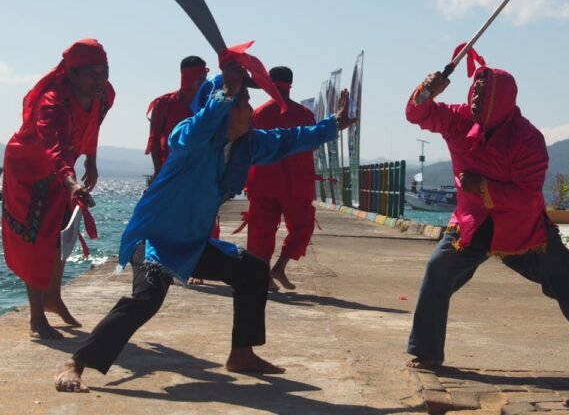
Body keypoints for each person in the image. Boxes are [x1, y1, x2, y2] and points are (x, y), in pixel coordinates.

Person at [54, 47, 355, 393]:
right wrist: (226, 92)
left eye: (244, 102)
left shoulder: (247, 145)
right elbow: (199, 124)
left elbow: (290, 139)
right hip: (153, 239)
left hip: (192, 243)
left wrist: (333, 125)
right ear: (222, 107)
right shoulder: (190, 137)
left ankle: (242, 353)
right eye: (242, 104)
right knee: (147, 299)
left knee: (253, 270)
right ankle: (77, 361)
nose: (249, 110)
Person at [404, 66, 569, 373]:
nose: (475, 97)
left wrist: (483, 186)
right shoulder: (459, 119)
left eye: (483, 92)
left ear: (500, 99)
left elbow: (527, 195)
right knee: (438, 267)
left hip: (524, 231)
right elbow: (417, 114)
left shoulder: (528, 138)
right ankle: (428, 352)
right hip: (471, 224)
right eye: (474, 89)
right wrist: (428, 89)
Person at [2, 39, 114, 339]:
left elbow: (93, 125)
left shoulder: (104, 95)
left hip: (62, 171)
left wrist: (91, 161)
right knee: (36, 239)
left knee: (64, 232)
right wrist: (72, 181)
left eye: (104, 70)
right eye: (92, 72)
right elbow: (52, 149)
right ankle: (37, 319)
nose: (100, 78)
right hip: (28, 170)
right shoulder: (52, 103)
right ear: (72, 74)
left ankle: (53, 297)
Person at [244, 66, 318, 291]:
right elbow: (314, 142)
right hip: (295, 183)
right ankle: (280, 266)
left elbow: (247, 148)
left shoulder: (257, 114)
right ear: (290, 84)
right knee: (303, 226)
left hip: (263, 181)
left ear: (269, 83)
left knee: (261, 230)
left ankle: (265, 275)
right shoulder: (304, 114)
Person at [146, 55, 208, 177]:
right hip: (171, 170)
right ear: (187, 78)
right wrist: (158, 170)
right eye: (199, 78)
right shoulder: (163, 103)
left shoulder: (209, 104)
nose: (203, 82)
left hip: (201, 171)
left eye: (204, 78)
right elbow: (154, 140)